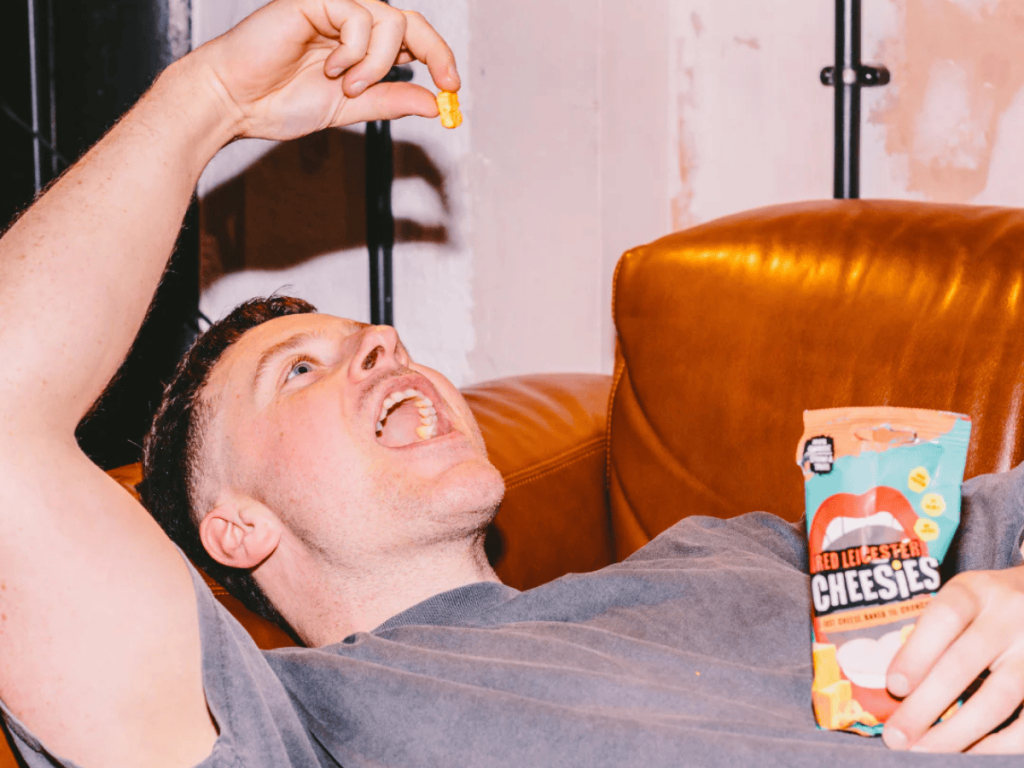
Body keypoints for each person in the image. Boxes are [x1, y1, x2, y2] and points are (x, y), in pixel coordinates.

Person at [1, 1, 1024, 766]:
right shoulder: (290, 724)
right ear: (237, 530)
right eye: (298, 370)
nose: (383, 344)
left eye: (373, 335)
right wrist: (211, 98)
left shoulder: (738, 549)